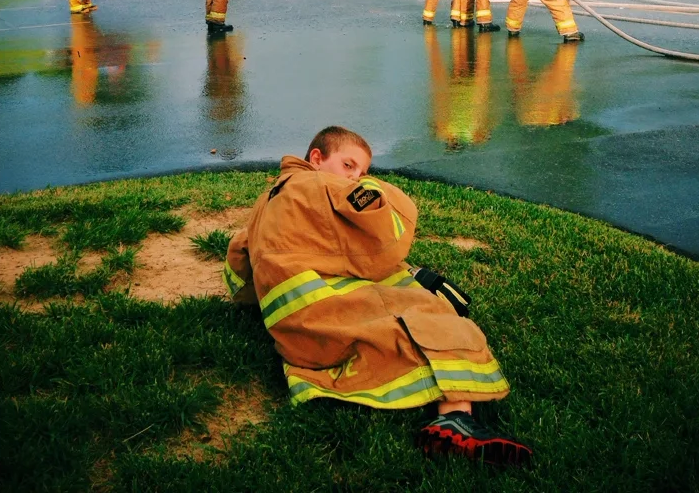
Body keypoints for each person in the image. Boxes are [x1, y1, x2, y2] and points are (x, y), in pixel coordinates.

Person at [224, 126, 533, 466]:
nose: (354, 178)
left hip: (290, 330)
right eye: (348, 165)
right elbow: (382, 226)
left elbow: (240, 262)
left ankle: (453, 415)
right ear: (316, 158)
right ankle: (456, 419)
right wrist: (374, 187)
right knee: (437, 321)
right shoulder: (320, 185)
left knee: (407, 302)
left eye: (362, 172)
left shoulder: (267, 200)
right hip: (325, 320)